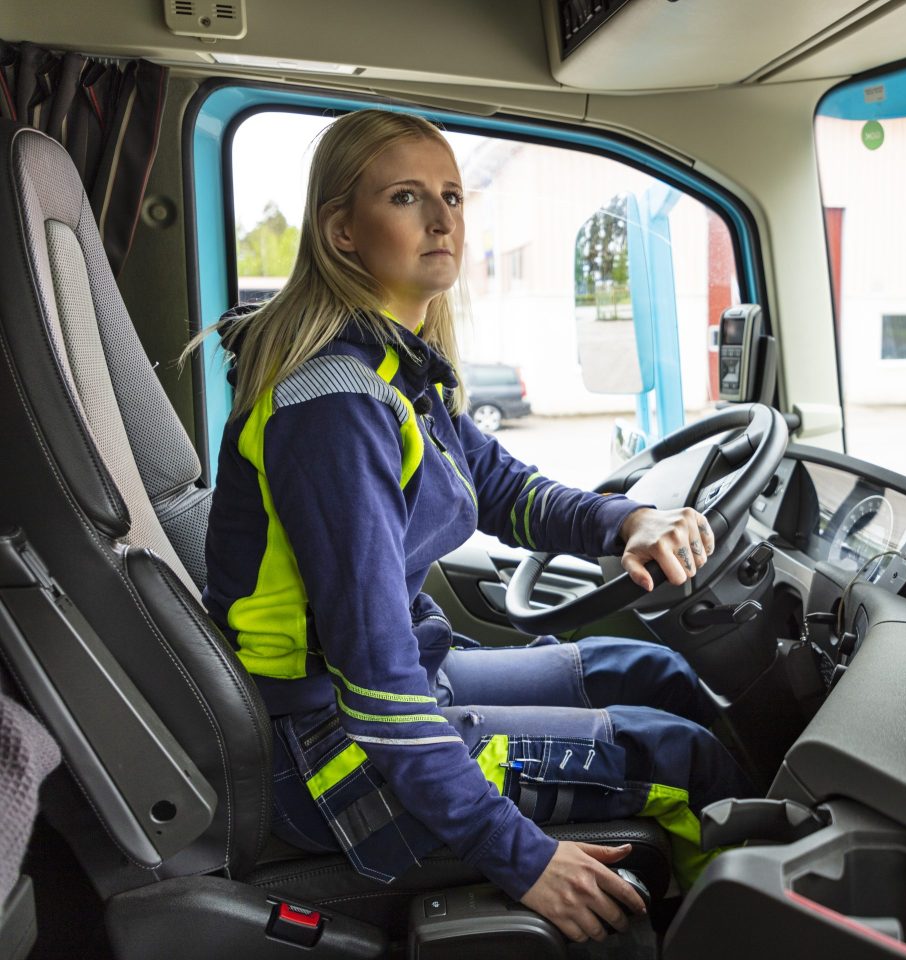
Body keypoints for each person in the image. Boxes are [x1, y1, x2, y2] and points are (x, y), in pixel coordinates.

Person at [197, 109, 753, 943]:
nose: (442, 217)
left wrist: (627, 520)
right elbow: (379, 685)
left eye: (452, 195)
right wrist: (517, 854)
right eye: (407, 196)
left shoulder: (395, 372)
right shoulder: (335, 406)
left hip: (393, 696)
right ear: (342, 232)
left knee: (652, 669)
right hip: (329, 750)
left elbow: (499, 486)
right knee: (683, 759)